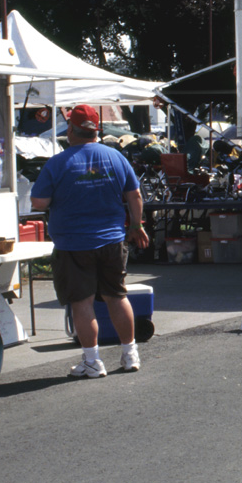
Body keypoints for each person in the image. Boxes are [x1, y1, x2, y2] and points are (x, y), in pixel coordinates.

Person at [32, 104, 151, 378]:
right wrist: (136, 225)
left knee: (82, 303)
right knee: (117, 296)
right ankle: (130, 353)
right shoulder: (116, 157)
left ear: (71, 130)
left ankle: (92, 361)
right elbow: (135, 196)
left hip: (73, 244)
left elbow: (39, 202)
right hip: (112, 240)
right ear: (96, 131)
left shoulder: (58, 162)